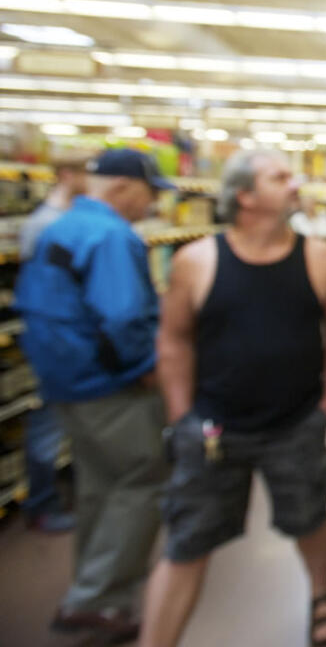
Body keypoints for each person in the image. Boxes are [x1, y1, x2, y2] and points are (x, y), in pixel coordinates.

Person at [140, 149, 326, 647]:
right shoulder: (198, 261)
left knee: (309, 515)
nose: (295, 181)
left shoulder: (319, 258)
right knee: (187, 540)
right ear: (245, 195)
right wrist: (182, 417)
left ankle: (322, 591)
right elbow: (174, 340)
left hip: (297, 422)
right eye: (279, 176)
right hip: (215, 429)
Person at [14, 148, 174, 643]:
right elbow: (123, 316)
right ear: (125, 186)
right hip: (111, 386)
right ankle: (101, 603)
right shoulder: (110, 235)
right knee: (142, 481)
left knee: (99, 487)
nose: (152, 206)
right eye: (149, 193)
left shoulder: (59, 227)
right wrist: (146, 367)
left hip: (67, 383)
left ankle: (86, 590)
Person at [17, 158, 88, 535]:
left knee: (67, 423)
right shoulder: (44, 225)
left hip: (69, 340)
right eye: (84, 172)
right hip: (52, 341)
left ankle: (66, 496)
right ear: (67, 174)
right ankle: (41, 505)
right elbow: (42, 290)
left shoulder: (73, 220)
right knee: (47, 425)